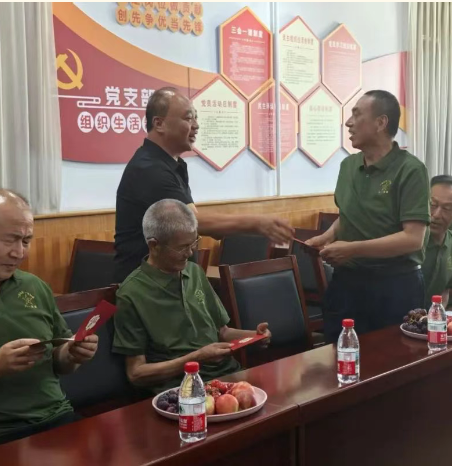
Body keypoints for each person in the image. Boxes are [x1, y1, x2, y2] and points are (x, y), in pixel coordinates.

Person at [114, 87, 294, 283]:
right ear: (159, 124)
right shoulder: (149, 169)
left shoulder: (172, 165)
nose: (196, 125)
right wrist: (257, 223)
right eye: (188, 118)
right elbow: (191, 223)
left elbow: (193, 220)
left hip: (170, 281)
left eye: (196, 118)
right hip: (146, 288)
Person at [306, 90, 430, 342]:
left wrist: (352, 249)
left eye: (356, 114)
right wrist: (327, 236)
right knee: (340, 355)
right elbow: (349, 215)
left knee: (394, 357)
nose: (348, 123)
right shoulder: (348, 166)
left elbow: (413, 239)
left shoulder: (410, 169)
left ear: (381, 122)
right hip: (346, 284)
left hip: (394, 285)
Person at [113, 199, 271, 394]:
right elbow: (136, 373)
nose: (189, 253)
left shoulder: (194, 272)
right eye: (182, 247)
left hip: (226, 375)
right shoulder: (131, 293)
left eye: (194, 243)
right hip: (180, 388)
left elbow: (222, 332)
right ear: (154, 245)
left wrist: (254, 336)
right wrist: (195, 358)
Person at [0, 190, 98, 444]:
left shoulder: (35, 287)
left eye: (26, 241)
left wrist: (72, 353)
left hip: (56, 417)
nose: (19, 253)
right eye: (10, 240)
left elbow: (59, 363)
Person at [421, 175, 452, 309]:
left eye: (446, 208)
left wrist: (438, 315)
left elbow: (446, 290)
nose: (436, 214)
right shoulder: (411, 239)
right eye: (432, 205)